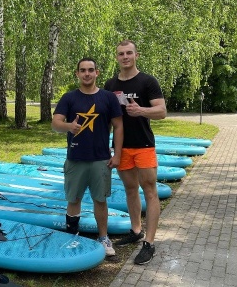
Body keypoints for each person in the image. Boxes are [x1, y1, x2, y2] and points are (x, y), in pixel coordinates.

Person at [51, 57, 123, 256]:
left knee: (100, 200)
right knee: (74, 199)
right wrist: (69, 127)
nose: (87, 73)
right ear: (77, 74)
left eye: (91, 70)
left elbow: (118, 126)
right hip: (75, 159)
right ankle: (72, 235)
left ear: (97, 73)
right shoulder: (69, 98)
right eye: (83, 70)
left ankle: (103, 238)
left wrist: (117, 154)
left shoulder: (108, 98)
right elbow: (55, 123)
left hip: (101, 159)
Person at [104, 40, 167, 265]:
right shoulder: (110, 84)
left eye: (129, 53)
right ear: (117, 57)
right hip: (121, 147)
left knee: (149, 190)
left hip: (143, 145)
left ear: (136, 55)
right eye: (121, 54)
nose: (125, 57)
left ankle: (149, 243)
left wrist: (140, 110)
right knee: (130, 189)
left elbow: (162, 111)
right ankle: (136, 230)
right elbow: (107, 118)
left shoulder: (148, 81)